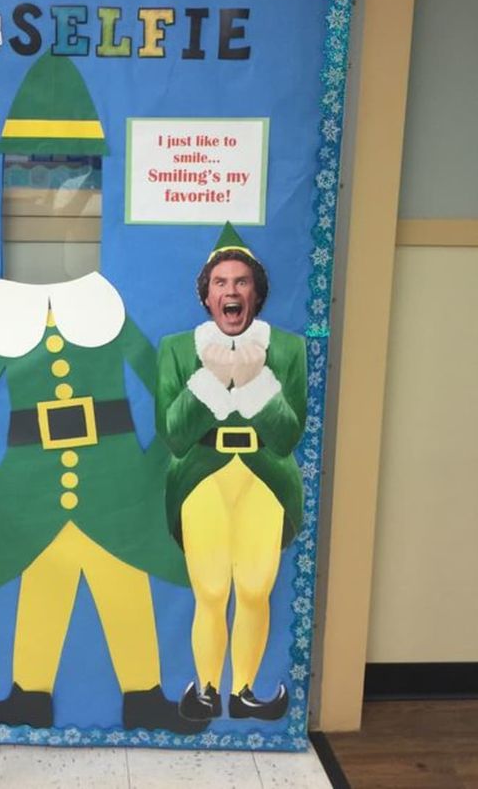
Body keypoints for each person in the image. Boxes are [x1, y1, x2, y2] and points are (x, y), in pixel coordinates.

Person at [0, 52, 205, 736]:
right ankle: (28, 697)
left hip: (115, 478)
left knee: (122, 581)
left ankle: (145, 697)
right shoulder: (0, 327)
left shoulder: (108, 317)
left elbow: (174, 397)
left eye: (71, 191)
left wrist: (151, 472)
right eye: (32, 191)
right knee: (43, 585)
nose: (52, 208)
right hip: (29, 486)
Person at [156, 223, 306, 722]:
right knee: (213, 590)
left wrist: (255, 380)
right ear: (206, 296)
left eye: (241, 282)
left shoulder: (287, 350)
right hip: (203, 476)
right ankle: (205, 690)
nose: (231, 291)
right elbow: (175, 434)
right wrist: (214, 379)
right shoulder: (178, 350)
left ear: (256, 294)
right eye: (220, 283)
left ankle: (243, 692)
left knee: (257, 587)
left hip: (264, 477)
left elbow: (287, 436)